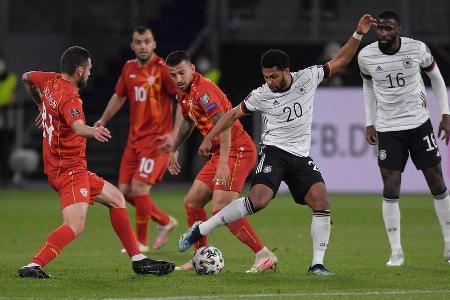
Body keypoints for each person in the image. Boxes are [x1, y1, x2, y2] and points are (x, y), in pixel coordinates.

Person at [177, 14, 376, 276]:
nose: (269, 82)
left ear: (286, 70)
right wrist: (208, 137)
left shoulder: (308, 78)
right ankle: (202, 229)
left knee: (321, 201)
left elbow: (339, 61)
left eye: (273, 76)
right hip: (273, 152)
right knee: (258, 201)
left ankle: (317, 264)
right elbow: (232, 114)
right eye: (266, 77)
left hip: (300, 156)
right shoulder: (261, 94)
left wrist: (358, 34)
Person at [18, 46, 175, 279]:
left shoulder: (49, 80)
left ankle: (138, 260)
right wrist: (94, 131)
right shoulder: (70, 97)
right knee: (75, 226)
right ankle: (33, 265)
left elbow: (26, 77)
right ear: (80, 70)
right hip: (69, 170)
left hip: (65, 167)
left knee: (117, 199)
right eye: (89, 69)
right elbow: (78, 127)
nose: (90, 73)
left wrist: (40, 104)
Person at [159, 50, 278, 273]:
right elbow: (187, 121)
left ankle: (264, 255)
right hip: (220, 153)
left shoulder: (203, 92)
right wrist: (174, 148)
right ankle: (200, 257)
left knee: (221, 208)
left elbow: (224, 126)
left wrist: (222, 163)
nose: (178, 79)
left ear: (192, 69)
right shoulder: (183, 93)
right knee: (192, 202)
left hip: (237, 149)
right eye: (173, 75)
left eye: (182, 73)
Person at [358, 10, 450, 267]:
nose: (383, 33)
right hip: (388, 128)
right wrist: (369, 121)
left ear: (398, 30)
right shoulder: (366, 56)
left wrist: (445, 114)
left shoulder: (417, 49)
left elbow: (437, 79)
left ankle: (449, 243)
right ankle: (396, 251)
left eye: (388, 29)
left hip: (419, 125)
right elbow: (367, 87)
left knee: (436, 182)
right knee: (391, 187)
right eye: (380, 29)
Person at [95, 26, 179, 253]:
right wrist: (102, 120)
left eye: (147, 41)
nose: (143, 46)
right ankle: (165, 221)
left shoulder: (163, 69)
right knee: (124, 193)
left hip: (157, 141)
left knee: (140, 188)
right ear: (132, 46)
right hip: (134, 141)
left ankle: (141, 243)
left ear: (154, 44)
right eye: (138, 42)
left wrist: (175, 136)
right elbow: (118, 96)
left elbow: (181, 97)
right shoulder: (129, 68)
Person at [0, 49, 17, 185]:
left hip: (5, 118)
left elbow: (10, 98)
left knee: (5, 148)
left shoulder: (11, 79)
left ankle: (6, 176)